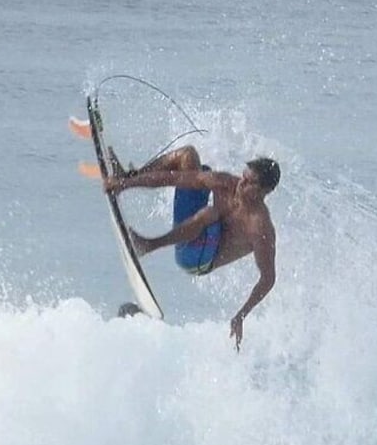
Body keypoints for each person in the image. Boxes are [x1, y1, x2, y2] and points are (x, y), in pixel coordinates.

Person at [104, 145, 279, 350]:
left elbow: (268, 278)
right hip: (191, 234)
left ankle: (148, 245)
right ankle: (126, 175)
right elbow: (174, 179)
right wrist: (126, 184)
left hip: (198, 261)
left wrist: (241, 314)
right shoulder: (226, 184)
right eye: (243, 176)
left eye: (250, 183)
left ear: (265, 191)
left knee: (210, 213)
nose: (242, 183)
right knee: (189, 159)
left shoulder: (260, 227)